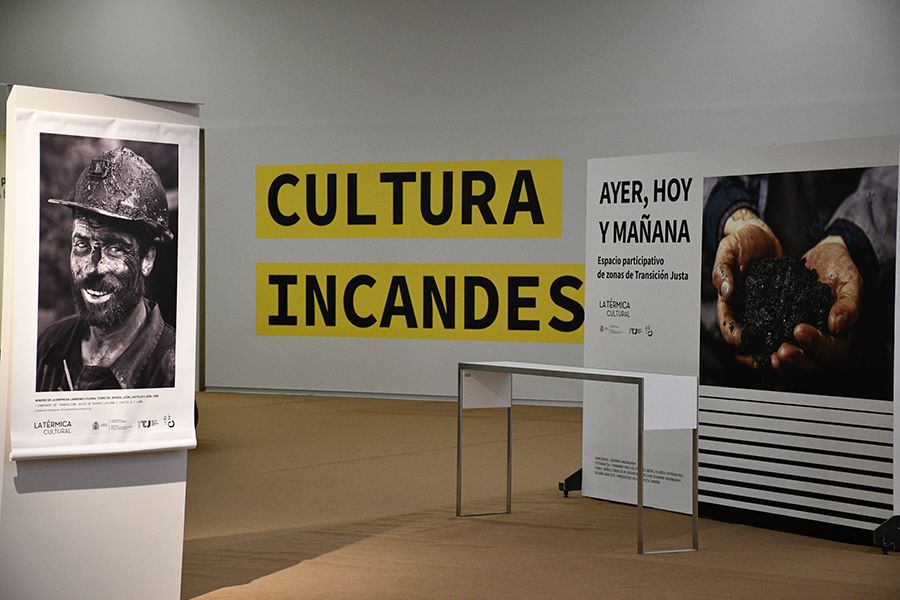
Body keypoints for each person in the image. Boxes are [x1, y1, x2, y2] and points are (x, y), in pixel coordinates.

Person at [701, 166, 897, 399]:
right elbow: (692, 167)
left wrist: (851, 239)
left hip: (860, 340)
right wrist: (729, 214)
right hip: (713, 336)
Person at [36, 147, 176, 391]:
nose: (92, 267)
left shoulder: (172, 370)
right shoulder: (50, 345)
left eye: (115, 248)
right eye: (82, 244)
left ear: (147, 259)